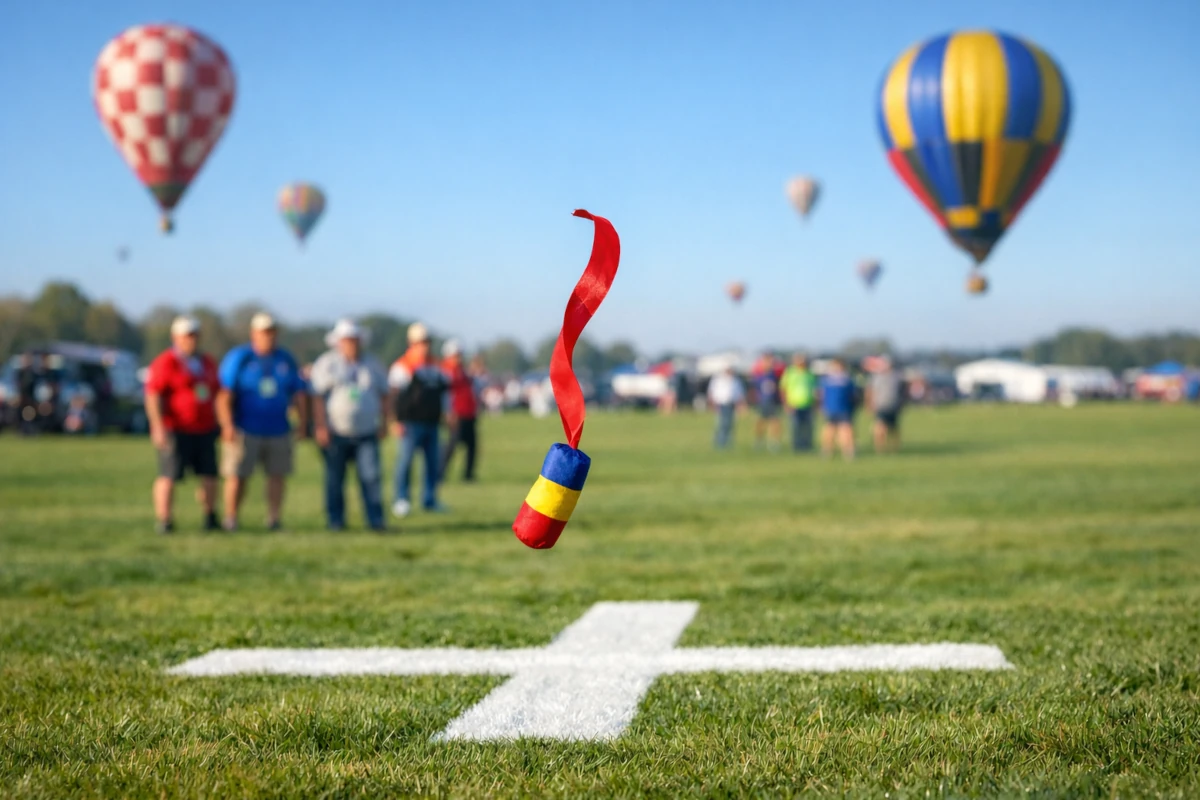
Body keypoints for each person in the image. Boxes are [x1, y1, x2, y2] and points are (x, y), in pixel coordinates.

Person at [216, 312, 307, 531]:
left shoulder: (285, 358)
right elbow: (225, 395)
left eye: (272, 332)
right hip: (245, 428)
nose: (269, 336)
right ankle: (231, 518)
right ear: (254, 334)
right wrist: (227, 425)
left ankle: (274, 519)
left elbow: (298, 393)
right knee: (237, 475)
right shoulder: (240, 358)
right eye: (265, 332)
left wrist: (303, 422)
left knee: (277, 475)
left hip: (278, 428)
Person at [144, 315, 222, 534]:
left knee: (209, 475)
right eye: (187, 336)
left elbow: (217, 392)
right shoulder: (166, 362)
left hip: (205, 428)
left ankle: (210, 517)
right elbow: (153, 395)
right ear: (175, 337)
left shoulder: (206, 362)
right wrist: (158, 426)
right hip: (176, 428)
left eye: (194, 335)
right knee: (169, 475)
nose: (191, 340)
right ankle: (165, 520)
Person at [310, 319, 389, 531]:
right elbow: (317, 397)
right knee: (335, 479)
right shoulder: (327, 364)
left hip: (367, 431)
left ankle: (376, 520)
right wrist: (321, 426)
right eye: (346, 340)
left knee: (371, 477)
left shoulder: (372, 364)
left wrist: (385, 422)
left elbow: (384, 394)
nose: (351, 343)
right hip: (336, 431)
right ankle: (336, 521)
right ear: (338, 342)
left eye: (354, 339)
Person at [388, 322, 450, 517]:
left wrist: (447, 414)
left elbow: (444, 393)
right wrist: (395, 420)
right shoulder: (402, 366)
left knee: (432, 464)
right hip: (410, 423)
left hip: (432, 422)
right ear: (411, 343)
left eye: (427, 342)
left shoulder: (436, 366)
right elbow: (393, 396)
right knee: (405, 462)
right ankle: (401, 498)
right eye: (421, 342)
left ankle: (429, 499)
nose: (425, 346)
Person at [439, 340, 480, 483]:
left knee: (472, 445)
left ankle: (468, 474)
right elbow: (447, 394)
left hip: (468, 413)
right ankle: (440, 473)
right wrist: (448, 412)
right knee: (452, 445)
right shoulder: (446, 371)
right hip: (457, 414)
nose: (459, 358)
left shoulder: (461, 370)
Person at [819, 358, 856, 460]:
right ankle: (827, 451)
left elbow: (853, 395)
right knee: (829, 431)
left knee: (846, 431)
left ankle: (848, 451)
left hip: (844, 409)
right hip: (830, 409)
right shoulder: (826, 380)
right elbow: (821, 394)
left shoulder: (847, 380)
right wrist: (821, 406)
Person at [781, 352, 817, 452]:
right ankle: (797, 445)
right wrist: (786, 404)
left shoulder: (809, 374)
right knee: (796, 427)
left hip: (808, 405)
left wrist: (816, 403)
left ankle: (807, 445)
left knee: (808, 427)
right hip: (794, 405)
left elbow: (815, 390)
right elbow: (783, 389)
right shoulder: (790, 373)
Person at [869, 356, 904, 454]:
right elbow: (871, 391)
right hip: (881, 405)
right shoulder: (877, 377)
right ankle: (880, 448)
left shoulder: (897, 376)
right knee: (880, 427)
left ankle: (894, 448)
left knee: (893, 429)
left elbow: (901, 392)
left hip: (893, 406)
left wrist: (901, 403)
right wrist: (870, 404)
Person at [751, 351, 784, 451]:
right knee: (760, 422)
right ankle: (758, 441)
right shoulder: (759, 375)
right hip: (762, 402)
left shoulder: (775, 375)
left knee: (775, 422)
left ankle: (773, 442)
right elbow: (754, 389)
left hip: (773, 401)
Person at [707, 365, 744, 449]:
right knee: (721, 424)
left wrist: (740, 405)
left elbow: (739, 394)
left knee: (729, 425)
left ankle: (727, 443)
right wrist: (712, 404)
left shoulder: (735, 381)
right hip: (721, 404)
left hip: (731, 404)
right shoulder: (718, 380)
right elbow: (712, 392)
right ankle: (720, 443)